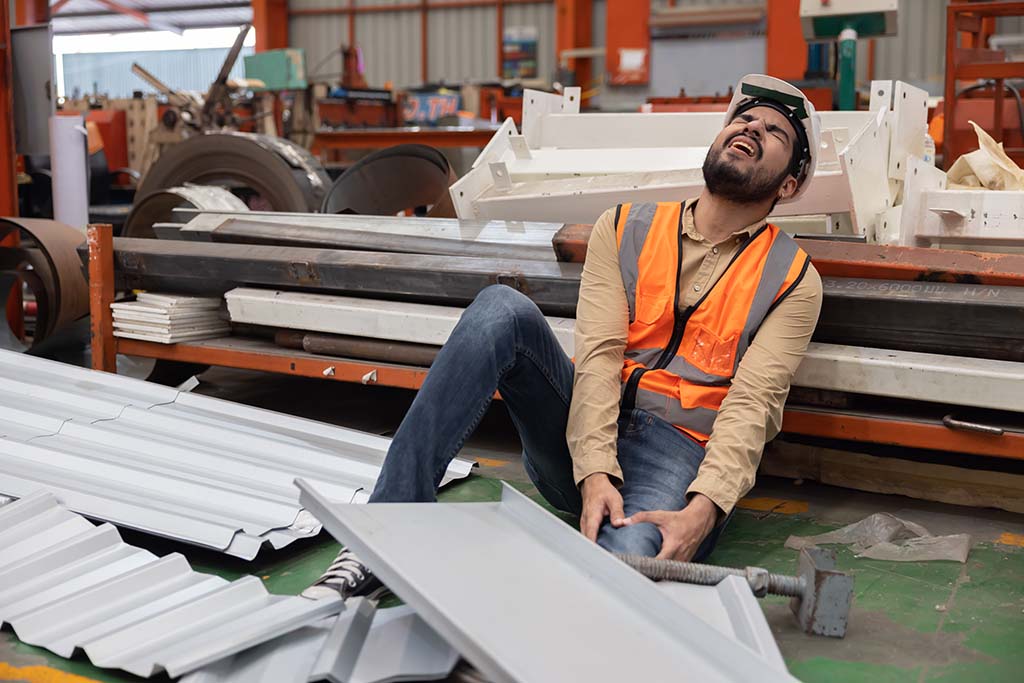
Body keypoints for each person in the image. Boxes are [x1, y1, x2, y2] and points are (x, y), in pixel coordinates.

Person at [303, 74, 824, 601]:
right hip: (580, 436)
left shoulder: (792, 278)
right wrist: (595, 471)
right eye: (744, 119)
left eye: (775, 133)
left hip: (679, 454)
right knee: (500, 309)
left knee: (615, 582)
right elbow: (597, 359)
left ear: (788, 184)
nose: (752, 128)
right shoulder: (624, 226)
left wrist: (703, 512)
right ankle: (387, 530)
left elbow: (752, 406)